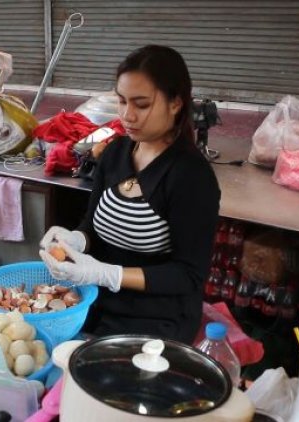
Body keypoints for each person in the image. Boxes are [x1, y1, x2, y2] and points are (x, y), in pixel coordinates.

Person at [39, 45, 221, 344]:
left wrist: (111, 275)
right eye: (122, 101)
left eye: (142, 104)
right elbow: (92, 223)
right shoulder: (114, 153)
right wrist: (77, 239)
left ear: (175, 103)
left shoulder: (190, 176)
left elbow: (188, 274)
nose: (127, 115)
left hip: (156, 318)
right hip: (98, 304)